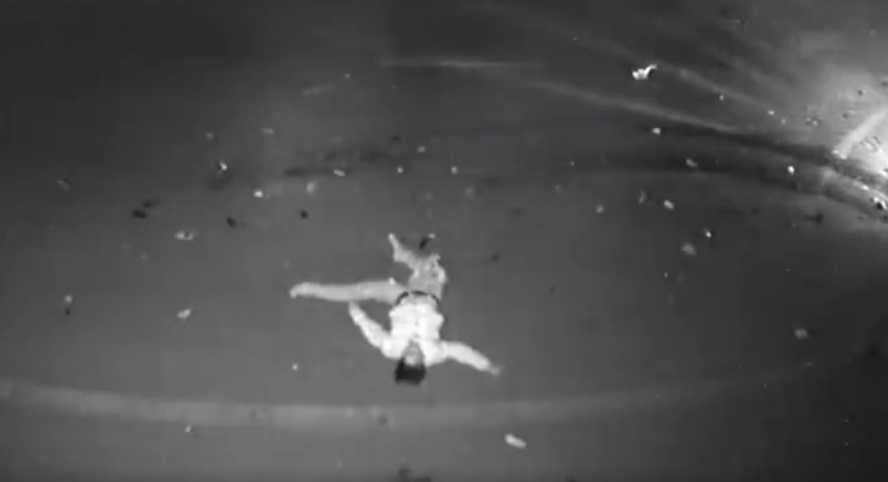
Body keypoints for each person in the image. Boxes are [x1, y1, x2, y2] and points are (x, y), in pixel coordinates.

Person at [289, 233, 501, 385]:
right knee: (431, 268)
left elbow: (374, 333)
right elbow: (460, 351)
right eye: (417, 355)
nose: (413, 349)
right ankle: (405, 256)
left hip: (400, 299)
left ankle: (310, 289)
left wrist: (358, 315)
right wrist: (485, 365)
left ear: (401, 358)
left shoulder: (391, 348)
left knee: (361, 290)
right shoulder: (436, 353)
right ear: (423, 363)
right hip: (428, 296)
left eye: (408, 354)